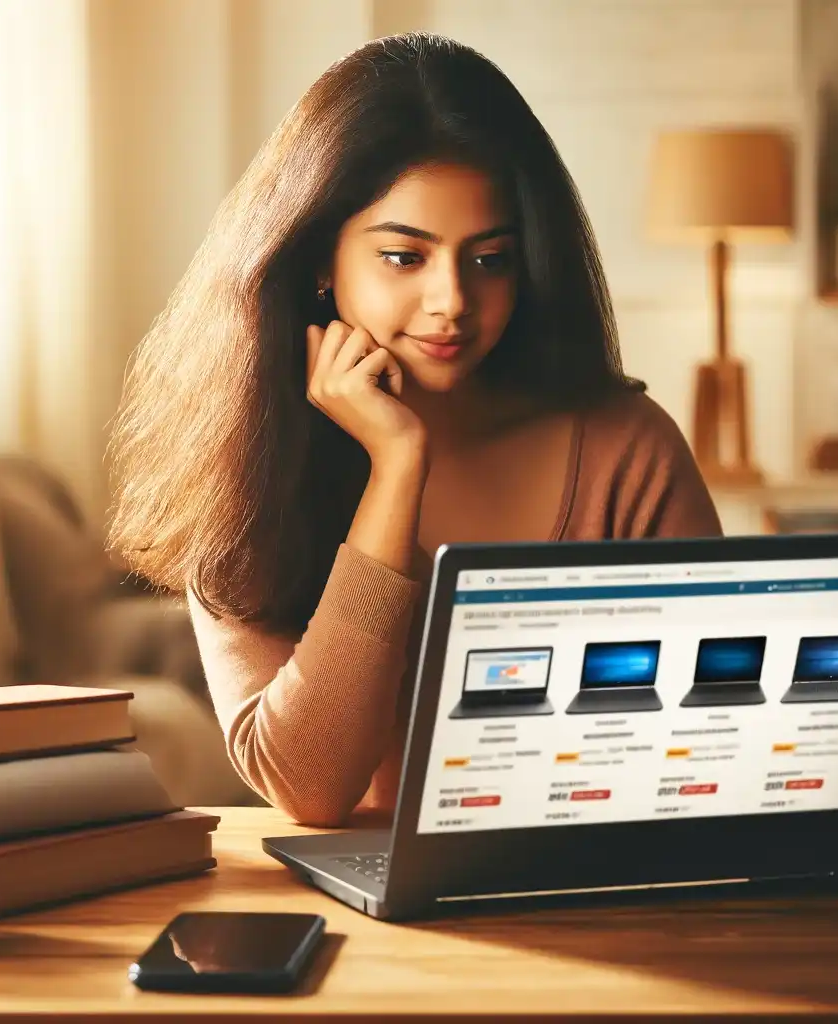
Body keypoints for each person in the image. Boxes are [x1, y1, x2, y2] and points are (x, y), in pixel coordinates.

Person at [107, 32, 723, 828]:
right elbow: (309, 786)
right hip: (373, 934)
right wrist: (397, 469)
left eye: (489, 259)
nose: (453, 302)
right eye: (405, 257)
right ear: (321, 259)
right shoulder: (243, 462)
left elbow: (715, 735)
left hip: (607, 896)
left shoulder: (626, 449)